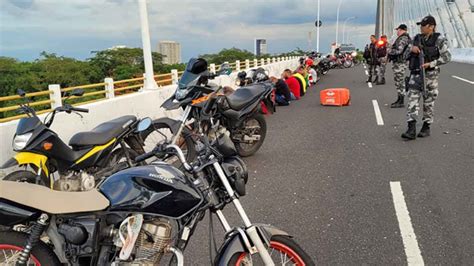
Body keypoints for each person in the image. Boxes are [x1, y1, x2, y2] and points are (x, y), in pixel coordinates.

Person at [401, 15, 451, 140]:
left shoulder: (439, 39)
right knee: (412, 100)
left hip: (430, 75)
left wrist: (431, 64)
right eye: (421, 26)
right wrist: (411, 49)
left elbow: (447, 57)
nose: (421, 28)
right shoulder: (416, 39)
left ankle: (426, 126)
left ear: (431, 27)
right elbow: (404, 56)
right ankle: (411, 128)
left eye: (424, 26)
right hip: (415, 75)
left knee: (428, 103)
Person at [388, 24, 411, 108]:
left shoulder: (403, 38)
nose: (397, 31)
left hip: (400, 63)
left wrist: (389, 50)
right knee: (398, 81)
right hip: (399, 62)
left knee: (400, 82)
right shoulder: (403, 38)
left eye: (398, 30)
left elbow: (399, 51)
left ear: (402, 30)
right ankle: (399, 99)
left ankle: (401, 100)